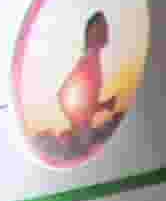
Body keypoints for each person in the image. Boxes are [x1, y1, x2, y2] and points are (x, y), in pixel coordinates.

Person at [50, 9, 117, 153]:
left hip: (85, 134)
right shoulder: (89, 61)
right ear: (92, 33)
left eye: (106, 26)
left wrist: (104, 105)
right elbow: (62, 95)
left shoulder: (93, 60)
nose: (107, 30)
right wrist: (80, 125)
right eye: (102, 26)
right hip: (83, 136)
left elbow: (85, 103)